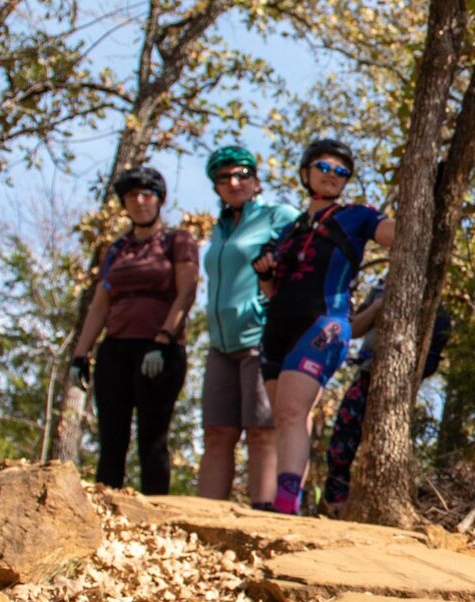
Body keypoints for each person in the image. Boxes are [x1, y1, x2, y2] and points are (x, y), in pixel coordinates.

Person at [254, 137, 395, 513]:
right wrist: (264, 272)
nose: (333, 176)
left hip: (325, 324)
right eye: (325, 168)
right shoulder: (290, 230)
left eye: (342, 171)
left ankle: (287, 503)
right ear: (306, 173)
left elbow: (399, 236)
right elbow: (271, 290)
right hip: (278, 326)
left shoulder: (357, 216)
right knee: (283, 416)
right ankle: (286, 498)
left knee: (291, 410)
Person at [69, 166, 199, 493]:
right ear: (124, 204)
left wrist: (164, 339)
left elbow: (187, 291)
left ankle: (156, 511)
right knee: (112, 437)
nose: (139, 201)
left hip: (160, 348)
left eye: (147, 195)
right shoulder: (116, 249)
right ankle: (104, 509)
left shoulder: (177, 241)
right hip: (116, 349)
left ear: (159, 200)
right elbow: (100, 303)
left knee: (152, 438)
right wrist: (80, 355)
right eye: (131, 196)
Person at [194, 143, 299, 507]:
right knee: (217, 432)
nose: (234, 182)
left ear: (256, 181)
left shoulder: (277, 215)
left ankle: (263, 517)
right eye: (224, 177)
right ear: (216, 187)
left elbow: (303, 252)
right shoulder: (219, 229)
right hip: (220, 344)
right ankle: (205, 519)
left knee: (262, 431)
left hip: (261, 337)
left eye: (242, 174)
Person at [319, 287, 450, 514]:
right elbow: (354, 328)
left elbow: (433, 356)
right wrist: (378, 306)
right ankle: (335, 506)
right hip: (364, 375)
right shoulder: (378, 291)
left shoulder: (436, 306)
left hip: (399, 387)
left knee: (384, 449)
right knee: (341, 445)